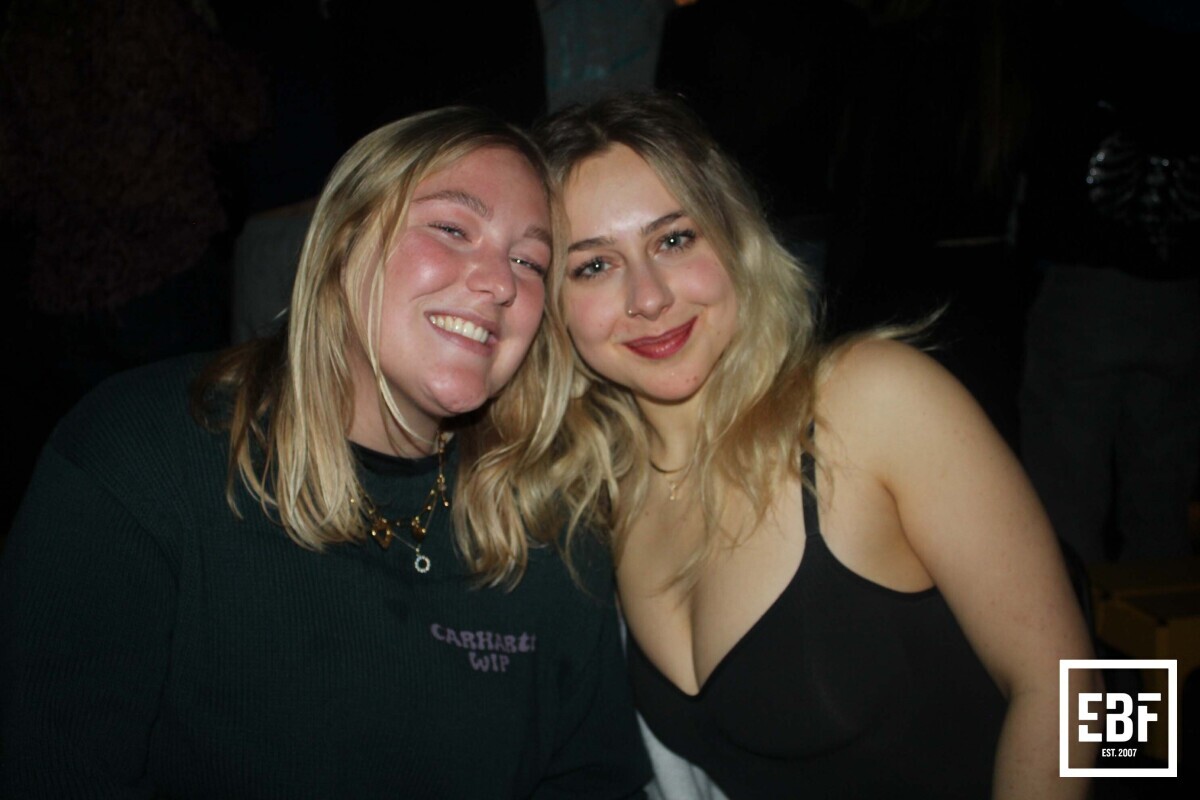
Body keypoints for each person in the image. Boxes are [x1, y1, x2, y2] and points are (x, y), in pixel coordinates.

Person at [0, 107, 650, 798]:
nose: (500, 282)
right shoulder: (142, 456)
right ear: (344, 242)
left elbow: (591, 779)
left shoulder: (547, 516)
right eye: (452, 229)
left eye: (529, 261)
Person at [527, 93, 1099, 799]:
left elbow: (1075, 684)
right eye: (593, 266)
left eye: (674, 239)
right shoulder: (596, 500)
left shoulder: (868, 400)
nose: (648, 297)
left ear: (734, 238)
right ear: (551, 305)